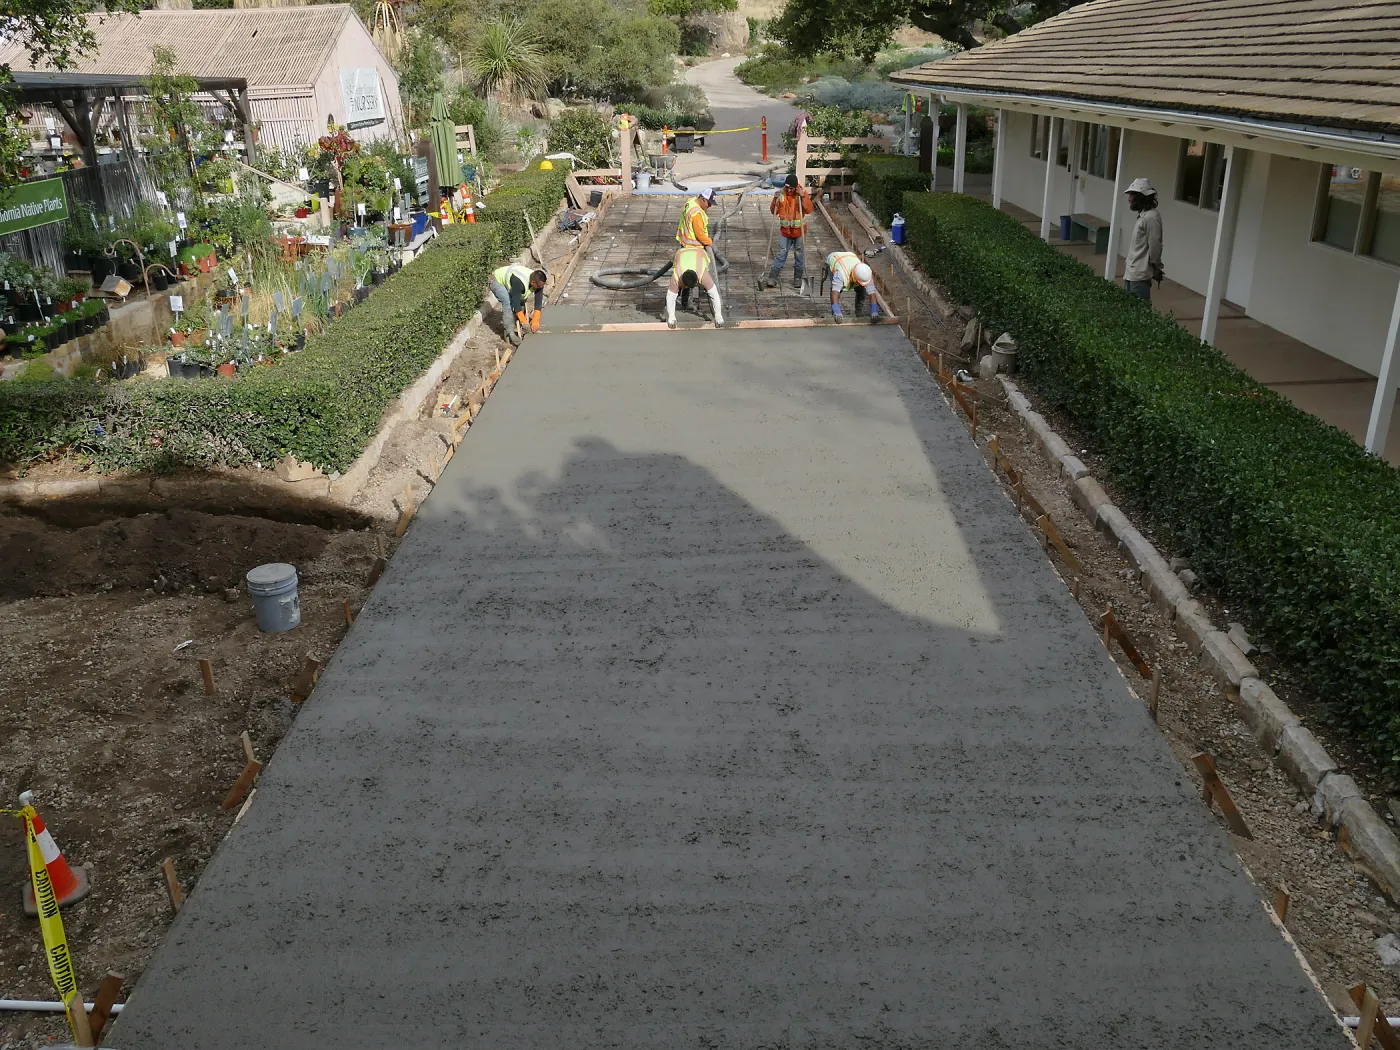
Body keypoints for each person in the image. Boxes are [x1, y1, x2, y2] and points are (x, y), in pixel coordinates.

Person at [765, 174, 813, 289]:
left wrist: (803, 197)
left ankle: (797, 278)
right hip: (785, 232)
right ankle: (772, 277)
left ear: (795, 187)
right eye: (787, 188)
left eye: (791, 188)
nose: (789, 190)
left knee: (799, 255)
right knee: (781, 254)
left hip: (799, 233)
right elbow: (774, 212)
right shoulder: (781, 194)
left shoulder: (801, 193)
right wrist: (775, 200)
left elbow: (809, 209)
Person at [1123, 177, 1164, 302]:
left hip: (1139, 275)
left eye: (1132, 195)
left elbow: (1155, 246)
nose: (1129, 199)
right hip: (1131, 273)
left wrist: (1156, 267)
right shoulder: (1143, 216)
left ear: (1142, 197)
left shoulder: (1151, 217)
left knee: (1139, 313)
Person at [665, 244, 724, 329]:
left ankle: (703, 294)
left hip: (701, 254)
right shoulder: (677, 276)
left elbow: (714, 294)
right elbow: (670, 296)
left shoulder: (703, 275)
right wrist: (671, 316)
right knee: (675, 291)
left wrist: (718, 315)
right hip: (680, 254)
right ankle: (684, 301)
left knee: (709, 287)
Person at [489, 264, 547, 345]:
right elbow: (515, 304)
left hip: (513, 281)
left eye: (542, 286)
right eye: (539, 286)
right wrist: (524, 321)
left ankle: (518, 326)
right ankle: (509, 333)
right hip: (496, 280)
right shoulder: (519, 282)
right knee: (508, 303)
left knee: (522, 300)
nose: (541, 287)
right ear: (533, 282)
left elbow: (538, 299)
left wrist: (536, 319)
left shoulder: (538, 280)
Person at [824, 250, 884, 323]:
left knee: (861, 289)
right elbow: (834, 293)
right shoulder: (841, 274)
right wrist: (837, 312)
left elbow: (872, 294)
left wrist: (874, 311)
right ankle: (835, 314)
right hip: (834, 259)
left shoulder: (866, 273)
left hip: (850, 256)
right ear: (854, 276)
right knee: (837, 290)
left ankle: (858, 313)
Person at [677, 186, 717, 271]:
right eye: (709, 203)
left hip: (684, 244)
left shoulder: (691, 201)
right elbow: (700, 234)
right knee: (698, 271)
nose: (710, 206)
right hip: (693, 248)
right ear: (703, 199)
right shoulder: (697, 213)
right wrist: (709, 241)